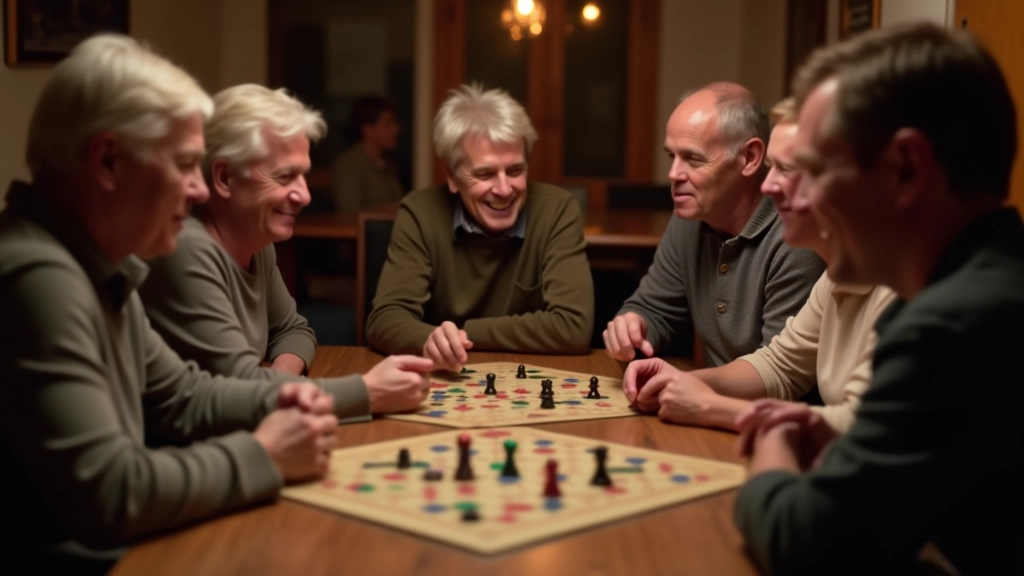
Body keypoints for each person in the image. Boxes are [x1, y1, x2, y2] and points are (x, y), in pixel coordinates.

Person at [0, 35, 430, 574]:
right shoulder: (38, 275)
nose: (198, 191)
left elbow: (184, 395)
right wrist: (266, 455)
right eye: (184, 165)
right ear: (108, 161)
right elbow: (111, 493)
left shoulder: (96, 264)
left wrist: (313, 405)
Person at [733, 24, 1023, 575]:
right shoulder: (991, 281)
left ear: (905, 170)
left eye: (814, 171)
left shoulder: (951, 326)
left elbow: (808, 545)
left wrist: (775, 441)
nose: (795, 196)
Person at [622, 98, 895, 433]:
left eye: (788, 170)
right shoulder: (838, 275)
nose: (767, 185)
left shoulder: (903, 286)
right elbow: (778, 365)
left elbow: (867, 427)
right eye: (772, 167)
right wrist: (681, 380)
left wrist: (711, 407)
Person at [366, 84, 594, 370]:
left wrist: (462, 334)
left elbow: (573, 328)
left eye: (515, 170)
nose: (503, 189)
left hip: (529, 379)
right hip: (447, 379)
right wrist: (429, 339)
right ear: (451, 175)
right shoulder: (420, 213)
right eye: (485, 174)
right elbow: (384, 319)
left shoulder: (557, 210)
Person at [603, 82, 824, 367]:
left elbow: (780, 376)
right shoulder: (691, 216)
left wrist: (685, 385)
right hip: (711, 401)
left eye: (693, 159)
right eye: (672, 156)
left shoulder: (795, 235)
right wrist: (633, 325)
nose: (673, 174)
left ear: (750, 157)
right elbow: (654, 308)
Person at [331, 95, 405, 214]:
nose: (396, 129)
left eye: (395, 122)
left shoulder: (389, 162)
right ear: (368, 129)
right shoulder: (349, 164)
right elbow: (348, 213)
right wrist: (392, 208)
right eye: (388, 123)